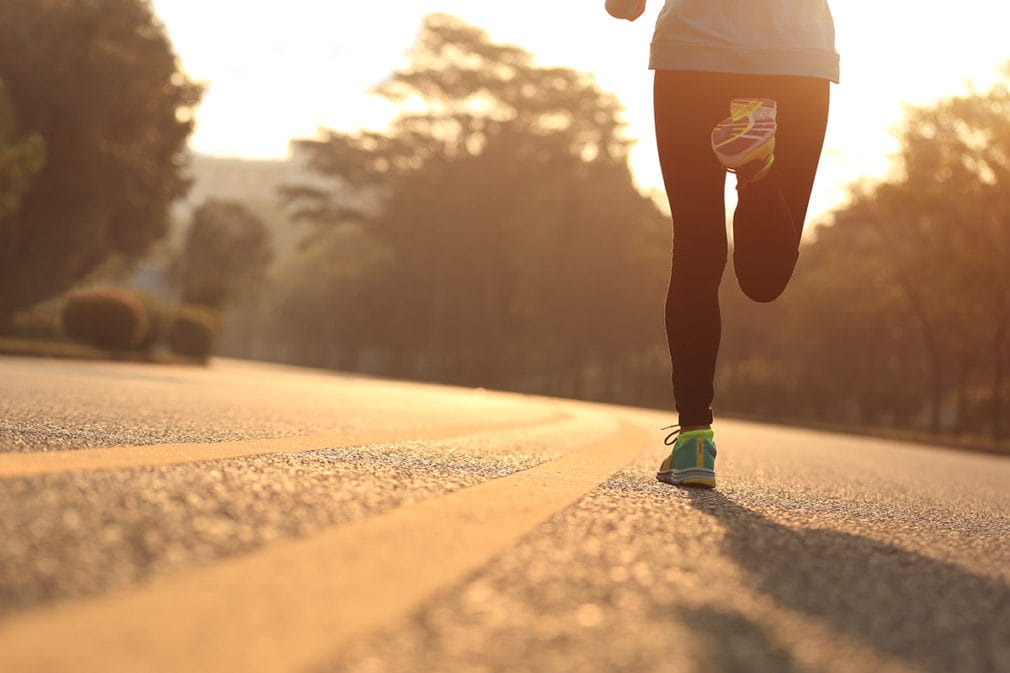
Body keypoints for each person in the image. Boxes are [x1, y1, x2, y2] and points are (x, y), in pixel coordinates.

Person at [605, 0, 839, 488]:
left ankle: (695, 442)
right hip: (796, 60)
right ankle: (757, 173)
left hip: (692, 56)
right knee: (764, 278)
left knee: (696, 246)